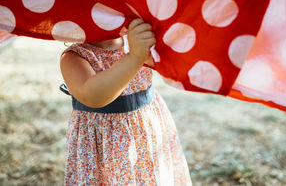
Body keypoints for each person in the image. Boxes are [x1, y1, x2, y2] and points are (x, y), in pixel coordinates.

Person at [59, 18, 192, 185]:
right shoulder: (74, 57)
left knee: (152, 175)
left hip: (146, 130)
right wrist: (135, 56)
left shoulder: (136, 40)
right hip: (105, 145)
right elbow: (93, 96)